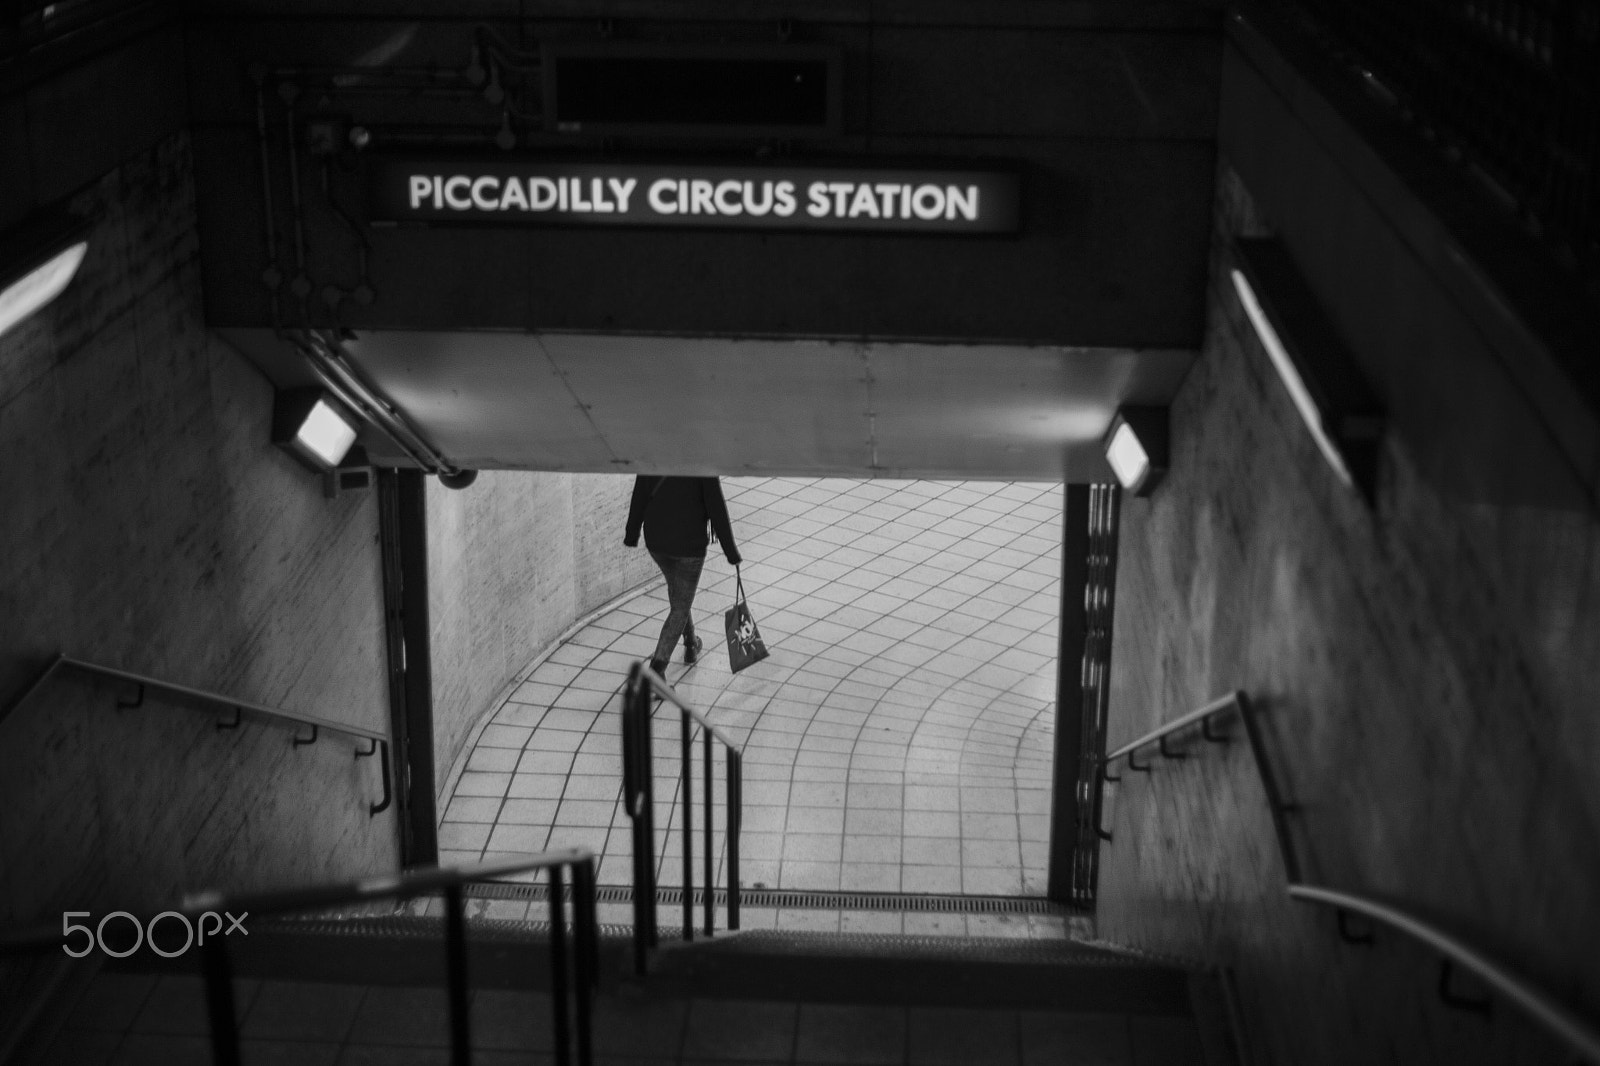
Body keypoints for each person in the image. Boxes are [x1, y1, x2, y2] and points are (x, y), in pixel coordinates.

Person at [624, 475, 742, 677]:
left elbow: (640, 495)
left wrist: (632, 533)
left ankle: (690, 643)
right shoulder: (700, 463)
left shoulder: (655, 454)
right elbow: (717, 509)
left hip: (657, 542)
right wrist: (731, 552)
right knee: (680, 608)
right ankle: (657, 671)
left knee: (679, 595)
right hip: (689, 547)